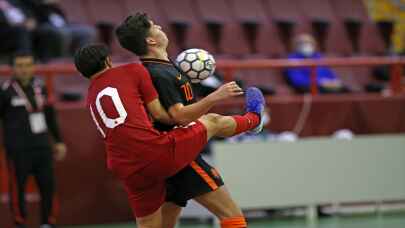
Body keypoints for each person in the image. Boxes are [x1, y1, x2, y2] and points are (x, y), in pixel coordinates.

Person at [74, 43, 265, 228]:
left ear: (82, 73)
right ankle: (254, 120)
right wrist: (209, 99)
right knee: (212, 121)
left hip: (126, 168)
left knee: (150, 225)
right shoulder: (132, 70)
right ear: (108, 60)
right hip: (157, 152)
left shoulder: (90, 97)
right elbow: (165, 115)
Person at [116, 13, 265, 228]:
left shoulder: (161, 67)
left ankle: (253, 121)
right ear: (150, 40)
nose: (159, 26)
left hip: (161, 155)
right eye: (154, 26)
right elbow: (180, 116)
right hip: (178, 154)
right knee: (232, 217)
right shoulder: (158, 73)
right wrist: (215, 96)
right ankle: (253, 120)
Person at [0, 51, 67, 228]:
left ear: (33, 67)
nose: (24, 69)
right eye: (20, 65)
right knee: (17, 189)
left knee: (48, 187)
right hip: (17, 149)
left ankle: (48, 223)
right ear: (13, 68)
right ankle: (20, 223)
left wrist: (58, 141)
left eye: (27, 65)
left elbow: (50, 116)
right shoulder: (5, 90)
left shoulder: (40, 86)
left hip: (43, 147)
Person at [22, 0, 96, 56]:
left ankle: (82, 60)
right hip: (43, 23)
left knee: (88, 32)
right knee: (63, 33)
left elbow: (62, 16)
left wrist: (52, 4)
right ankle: (61, 60)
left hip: (61, 24)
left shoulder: (54, 7)